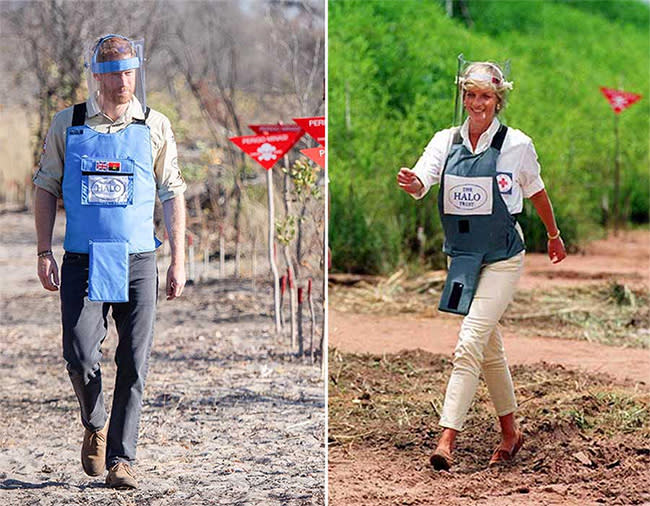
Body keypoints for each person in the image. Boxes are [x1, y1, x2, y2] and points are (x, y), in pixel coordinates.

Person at [33, 34, 187, 489]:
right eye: (112, 73)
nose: (122, 81)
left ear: (137, 71)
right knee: (79, 356)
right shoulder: (69, 123)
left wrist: (178, 259)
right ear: (95, 75)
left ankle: (123, 458)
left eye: (128, 72)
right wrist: (44, 251)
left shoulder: (154, 124)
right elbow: (45, 186)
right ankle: (95, 421)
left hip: (139, 258)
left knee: (134, 361)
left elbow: (172, 191)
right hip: (82, 258)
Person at [397, 61, 566, 470]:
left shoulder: (517, 145)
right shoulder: (444, 140)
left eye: (485, 96)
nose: (477, 103)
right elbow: (425, 177)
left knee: (469, 341)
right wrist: (414, 183)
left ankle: (446, 440)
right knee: (488, 349)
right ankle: (511, 433)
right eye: (470, 95)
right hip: (463, 258)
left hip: (504, 258)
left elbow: (537, 192)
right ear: (463, 97)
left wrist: (554, 235)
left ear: (498, 100)